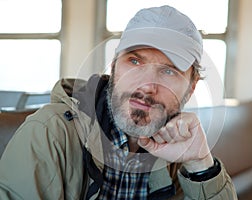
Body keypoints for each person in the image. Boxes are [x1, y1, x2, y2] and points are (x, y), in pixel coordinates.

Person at [0, 5, 237, 200]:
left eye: (168, 71)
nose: (147, 85)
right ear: (114, 67)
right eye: (134, 62)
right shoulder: (50, 132)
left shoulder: (175, 148)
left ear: (191, 87)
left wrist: (200, 164)